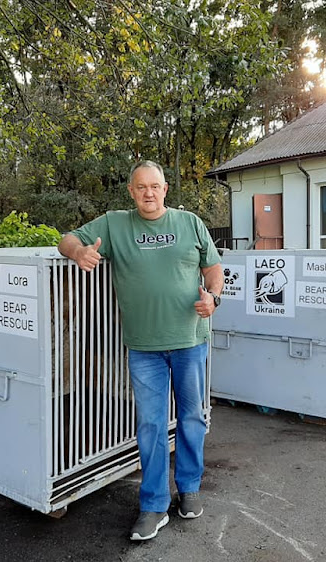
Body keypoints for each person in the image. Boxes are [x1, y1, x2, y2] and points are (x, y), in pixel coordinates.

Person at [58, 160, 223, 541]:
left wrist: (213, 297)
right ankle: (153, 506)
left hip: (190, 340)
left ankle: (189, 489)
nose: (149, 193)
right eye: (141, 187)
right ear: (131, 192)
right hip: (144, 347)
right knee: (149, 426)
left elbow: (213, 268)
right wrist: (78, 253)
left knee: (192, 418)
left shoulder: (190, 223)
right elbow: (66, 237)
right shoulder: (115, 224)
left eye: (155, 186)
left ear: (165, 189)